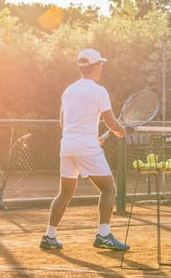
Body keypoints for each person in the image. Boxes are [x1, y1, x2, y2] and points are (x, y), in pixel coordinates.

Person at [40, 48, 129, 251]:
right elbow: (111, 122)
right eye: (101, 65)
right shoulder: (99, 91)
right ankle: (104, 235)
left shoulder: (69, 91)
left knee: (64, 193)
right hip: (86, 146)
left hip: (67, 145)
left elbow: (63, 124)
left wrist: (93, 137)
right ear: (95, 67)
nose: (101, 68)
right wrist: (120, 131)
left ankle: (49, 236)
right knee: (109, 188)